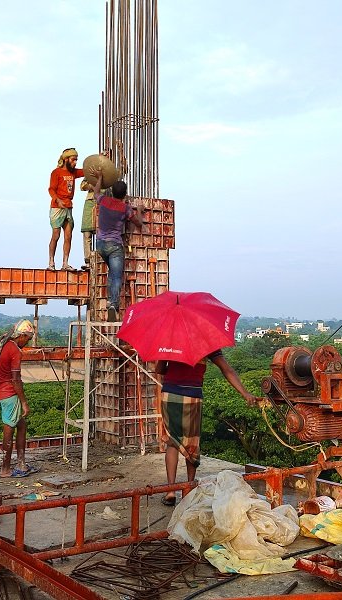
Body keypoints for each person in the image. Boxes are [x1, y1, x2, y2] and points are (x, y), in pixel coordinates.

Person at [157, 351, 256, 506]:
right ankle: (189, 489)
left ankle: (170, 491)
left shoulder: (171, 339)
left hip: (170, 394)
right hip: (193, 394)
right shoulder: (206, 341)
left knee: (172, 441)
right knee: (192, 441)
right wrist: (245, 393)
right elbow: (227, 369)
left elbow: (160, 369)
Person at [0, 320, 39, 478]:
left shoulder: (2, 343)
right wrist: (24, 402)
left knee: (22, 425)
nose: (27, 342)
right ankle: (5, 469)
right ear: (22, 336)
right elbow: (16, 379)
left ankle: (21, 463)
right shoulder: (15, 350)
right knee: (8, 432)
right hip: (9, 394)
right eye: (27, 339)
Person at [90, 169, 144, 322]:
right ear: (125, 194)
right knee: (116, 276)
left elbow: (96, 192)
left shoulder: (104, 201)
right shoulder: (125, 209)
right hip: (114, 246)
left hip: (100, 245)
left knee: (111, 274)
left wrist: (100, 177)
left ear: (112, 192)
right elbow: (138, 223)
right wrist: (139, 210)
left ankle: (109, 300)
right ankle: (113, 304)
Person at [47, 148, 85, 271]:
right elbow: (51, 189)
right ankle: (51, 262)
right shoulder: (56, 172)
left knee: (68, 236)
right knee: (56, 235)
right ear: (66, 160)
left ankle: (65, 263)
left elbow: (86, 171)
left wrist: (100, 158)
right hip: (57, 208)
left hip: (68, 207)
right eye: (73, 160)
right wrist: (58, 200)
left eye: (76, 160)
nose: (75, 163)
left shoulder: (73, 172)